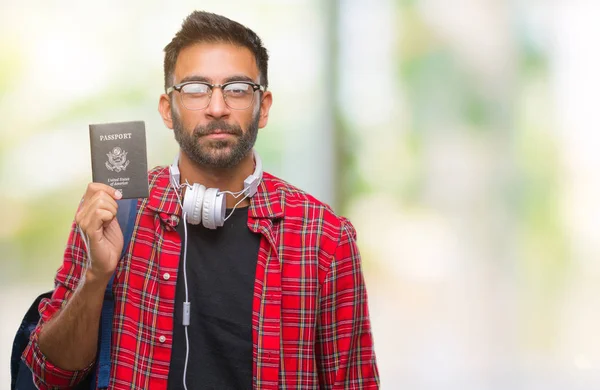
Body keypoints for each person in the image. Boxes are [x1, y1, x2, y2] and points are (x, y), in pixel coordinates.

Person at [22, 10, 379, 390]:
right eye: (195, 89)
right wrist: (96, 276)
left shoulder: (324, 237)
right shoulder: (113, 210)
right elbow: (50, 376)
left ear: (265, 107)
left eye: (238, 88)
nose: (217, 107)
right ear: (167, 110)